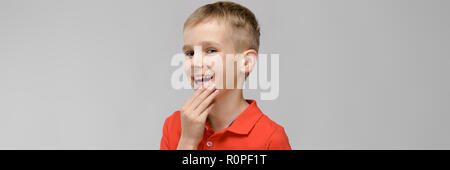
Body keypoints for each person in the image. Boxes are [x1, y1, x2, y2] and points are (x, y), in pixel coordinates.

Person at [160, 1, 291, 150]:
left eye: (211, 50)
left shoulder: (270, 137)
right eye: (190, 53)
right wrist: (188, 142)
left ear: (246, 62)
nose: (195, 62)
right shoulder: (175, 125)